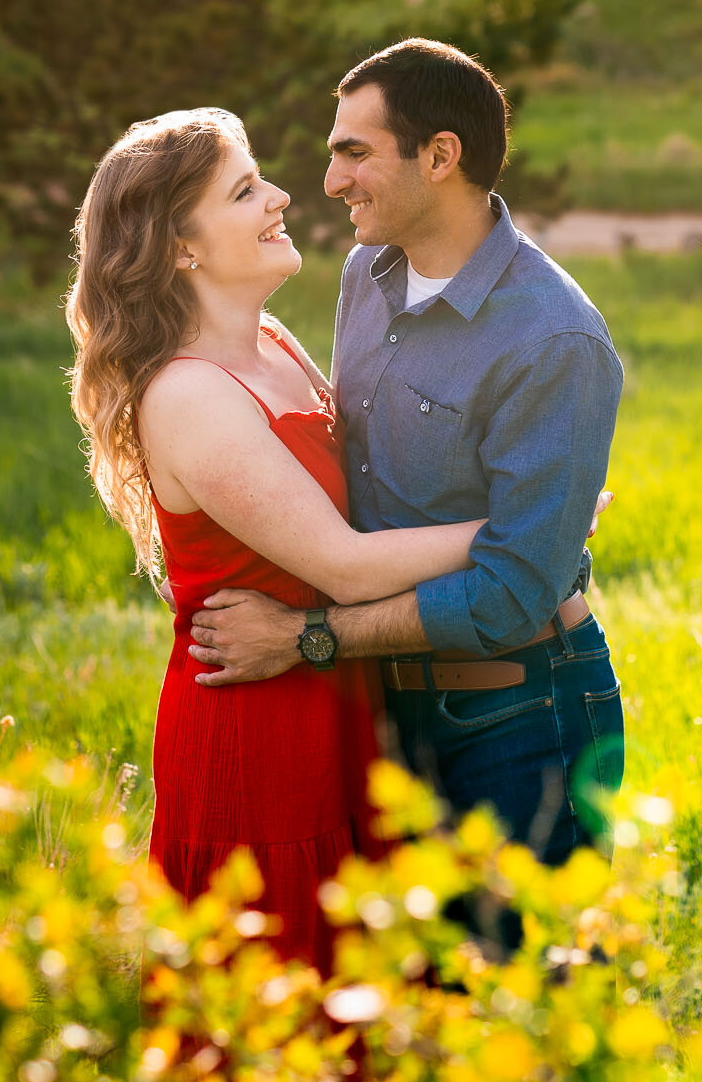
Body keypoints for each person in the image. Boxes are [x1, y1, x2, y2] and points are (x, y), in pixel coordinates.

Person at [65, 104, 491, 970]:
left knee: (355, 975)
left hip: (330, 688)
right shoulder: (189, 395)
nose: (283, 198)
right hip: (256, 728)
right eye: (246, 190)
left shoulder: (271, 340)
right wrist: (520, 532)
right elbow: (343, 561)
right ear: (180, 245)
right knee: (279, 987)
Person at [190, 39, 625, 867]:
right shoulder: (367, 274)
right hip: (382, 713)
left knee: (527, 986)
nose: (330, 182)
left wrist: (307, 637)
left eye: (355, 153)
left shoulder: (554, 339)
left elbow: (511, 594)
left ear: (440, 156)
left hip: (519, 716)